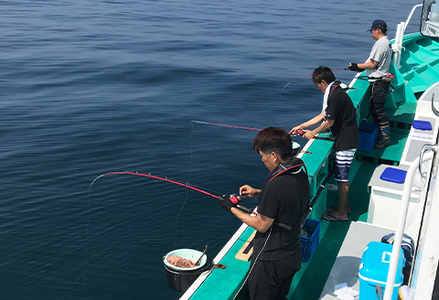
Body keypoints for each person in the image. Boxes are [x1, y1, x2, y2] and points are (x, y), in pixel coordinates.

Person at [217, 127, 310, 300]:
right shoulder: (299, 170)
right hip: (292, 253)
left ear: (274, 155)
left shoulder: (275, 186)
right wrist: (258, 192)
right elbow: (287, 197)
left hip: (271, 260)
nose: (262, 160)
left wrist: (230, 208)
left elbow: (262, 224)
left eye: (262, 155)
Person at [290, 66, 359, 222]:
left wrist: (312, 133)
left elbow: (329, 122)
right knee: (341, 177)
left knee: (342, 179)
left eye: (318, 85)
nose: (319, 89)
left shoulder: (334, 96)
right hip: (345, 138)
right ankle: (344, 207)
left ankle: (342, 213)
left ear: (323, 82)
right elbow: (323, 115)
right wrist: (303, 126)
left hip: (346, 141)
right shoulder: (336, 91)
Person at [348, 19, 393, 148]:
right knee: (376, 109)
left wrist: (356, 66)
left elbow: (373, 64)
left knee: (378, 111)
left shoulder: (380, 44)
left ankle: (386, 138)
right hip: (382, 80)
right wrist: (361, 67)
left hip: (378, 83)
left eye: (372, 31)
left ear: (378, 30)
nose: (371, 33)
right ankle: (382, 134)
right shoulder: (387, 42)